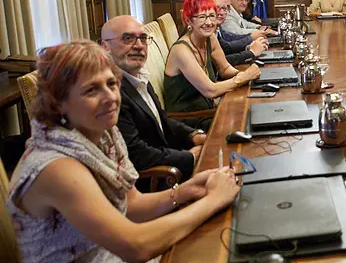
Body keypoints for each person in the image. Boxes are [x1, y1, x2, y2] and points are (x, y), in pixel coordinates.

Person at [7, 40, 240, 263]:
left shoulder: (103, 132)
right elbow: (136, 246)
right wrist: (213, 201)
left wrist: (186, 191)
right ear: (57, 103)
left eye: (111, 84)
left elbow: (132, 205)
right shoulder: (55, 167)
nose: (109, 97)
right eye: (91, 91)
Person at [101, 16, 205, 185]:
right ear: (106, 46)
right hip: (153, 182)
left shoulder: (138, 75)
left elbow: (163, 119)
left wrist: (192, 135)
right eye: (128, 38)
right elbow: (135, 153)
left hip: (169, 160)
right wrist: (189, 157)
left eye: (143, 38)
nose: (139, 45)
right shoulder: (109, 91)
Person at [164, 0, 261, 115]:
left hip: (208, 107)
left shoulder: (210, 38)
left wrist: (249, 74)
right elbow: (210, 90)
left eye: (211, 16)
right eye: (202, 17)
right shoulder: (181, 50)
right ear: (189, 20)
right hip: (187, 118)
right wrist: (244, 77)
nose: (209, 22)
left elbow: (225, 69)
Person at [209, 0, 268, 66]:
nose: (222, 13)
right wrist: (251, 52)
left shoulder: (216, 28)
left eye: (225, 8)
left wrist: (249, 47)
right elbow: (219, 62)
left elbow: (227, 45)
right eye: (217, 8)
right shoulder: (206, 32)